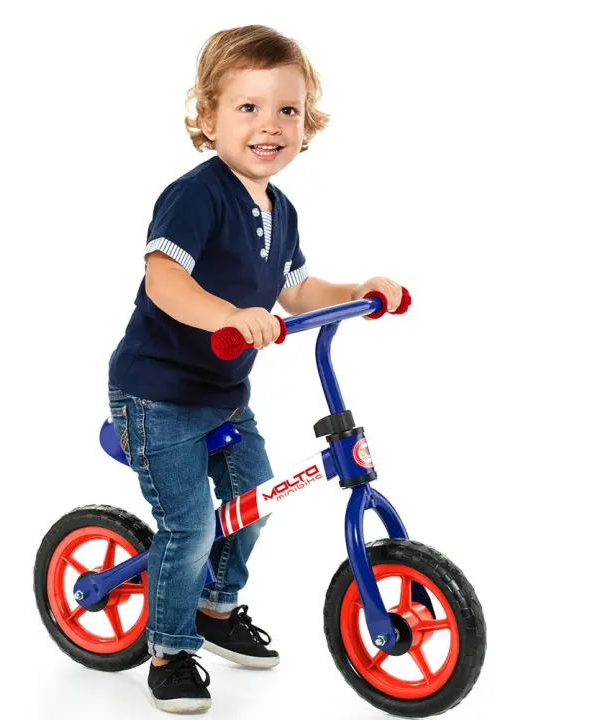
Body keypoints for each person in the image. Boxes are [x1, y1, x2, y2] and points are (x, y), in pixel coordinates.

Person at [107, 24, 404, 714]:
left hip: (222, 392)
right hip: (157, 394)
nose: (269, 124)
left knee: (255, 500)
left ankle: (216, 607)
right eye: (248, 107)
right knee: (190, 526)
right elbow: (163, 280)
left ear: (306, 123)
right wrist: (229, 316)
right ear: (208, 117)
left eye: (286, 110)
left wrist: (359, 290)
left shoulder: (281, 209)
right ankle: (169, 650)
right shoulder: (196, 196)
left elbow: (297, 291)